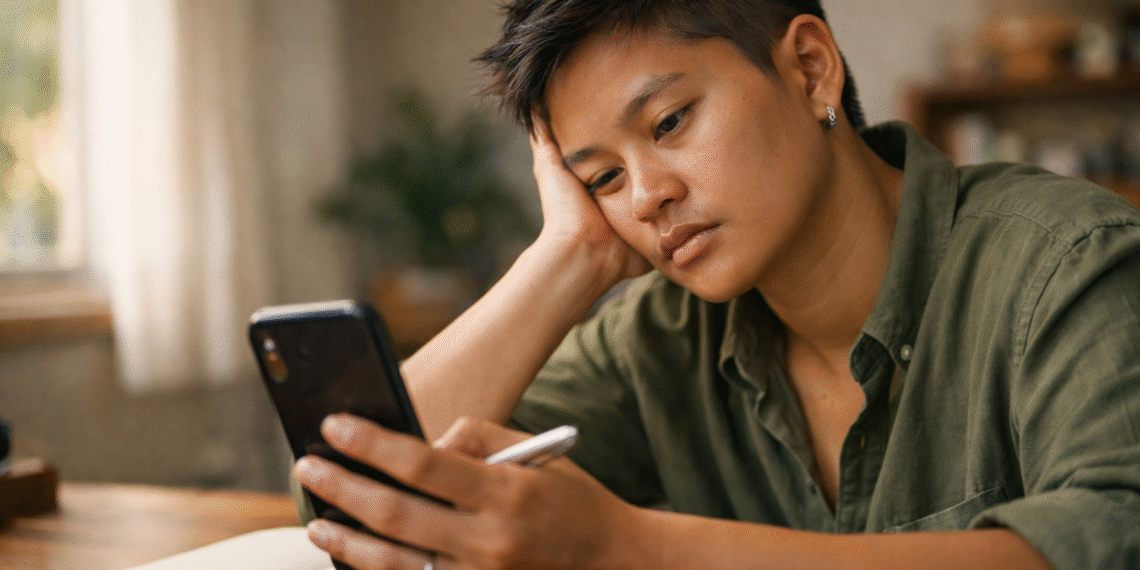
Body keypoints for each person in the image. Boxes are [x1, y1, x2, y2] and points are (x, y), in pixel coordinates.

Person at [292, 1, 1140, 568]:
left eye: (668, 123)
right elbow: (348, 496)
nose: (648, 195)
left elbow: (1114, 539)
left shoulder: (1069, 264)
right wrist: (569, 257)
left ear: (811, 69)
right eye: (602, 179)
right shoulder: (656, 337)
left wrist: (633, 548)